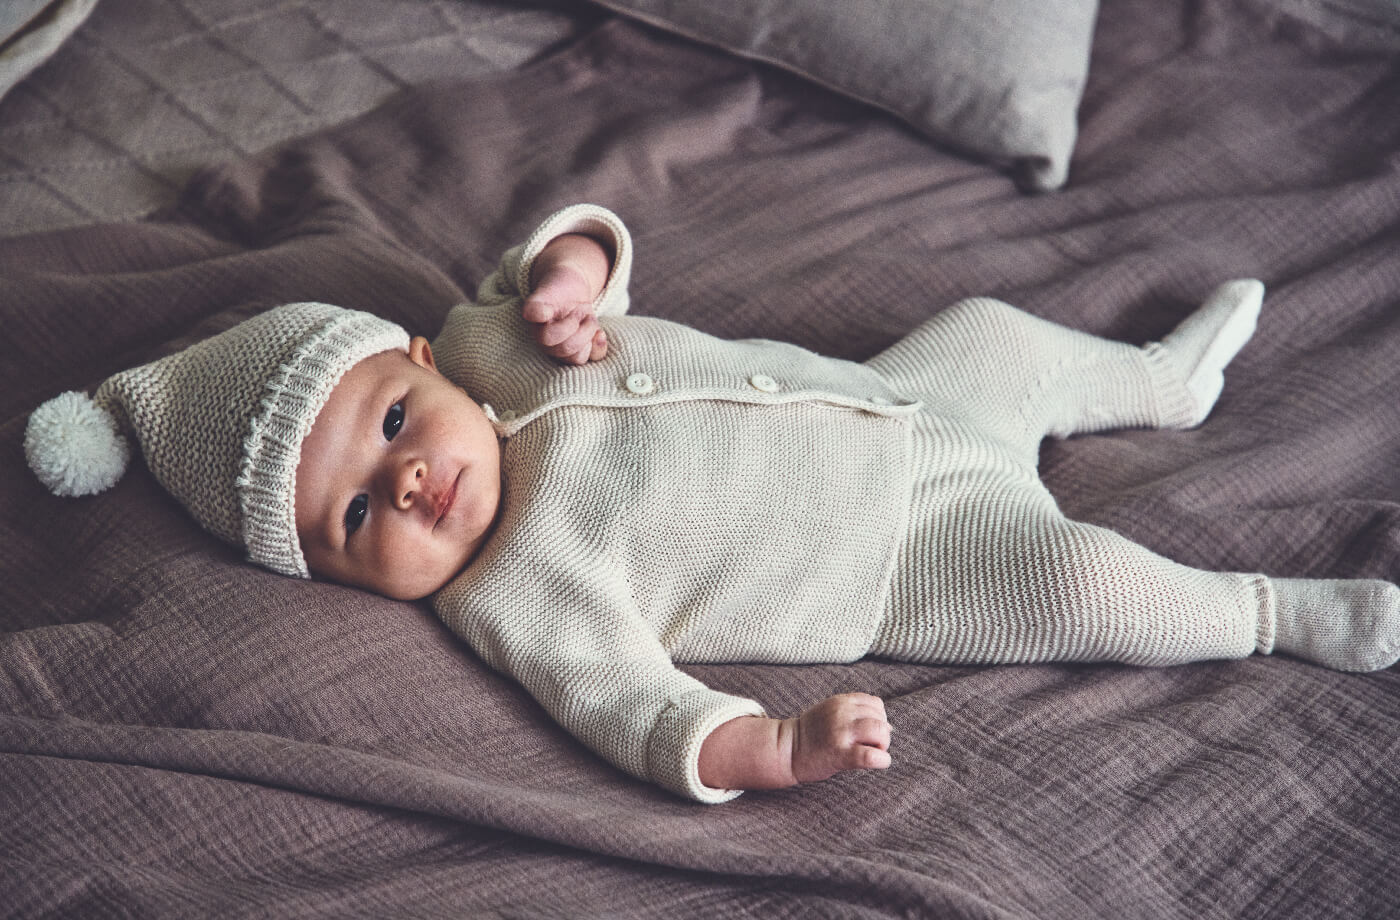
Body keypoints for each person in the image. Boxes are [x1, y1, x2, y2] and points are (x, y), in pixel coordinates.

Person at [25, 204, 1400, 804]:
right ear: (335, 577)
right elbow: (629, 704)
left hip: (903, 402)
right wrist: (768, 751)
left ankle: (1157, 383)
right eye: (358, 520)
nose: (408, 481)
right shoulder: (512, 592)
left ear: (422, 357)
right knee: (1088, 587)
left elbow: (569, 248)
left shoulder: (499, 337)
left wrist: (570, 277)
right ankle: (1272, 612)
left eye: (393, 425)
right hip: (909, 551)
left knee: (990, 327)